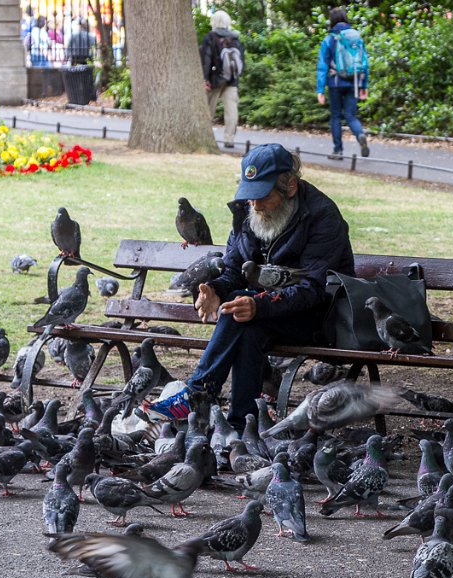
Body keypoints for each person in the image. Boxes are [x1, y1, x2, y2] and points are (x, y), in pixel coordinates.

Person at [142, 143, 355, 431]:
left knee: (245, 309)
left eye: (262, 197)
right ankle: (244, 425)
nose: (254, 205)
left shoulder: (322, 216)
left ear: (290, 186)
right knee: (248, 324)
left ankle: (197, 394)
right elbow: (233, 268)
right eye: (249, 196)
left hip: (318, 317)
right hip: (267, 314)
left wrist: (259, 304)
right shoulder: (247, 211)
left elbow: (314, 289)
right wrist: (214, 289)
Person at [316, 7, 370, 160]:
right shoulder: (356, 37)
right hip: (353, 83)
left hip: (335, 83)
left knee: (336, 117)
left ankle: (338, 151)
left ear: (332, 20)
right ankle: (360, 134)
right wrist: (363, 86)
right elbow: (365, 63)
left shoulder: (330, 39)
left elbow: (322, 66)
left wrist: (320, 89)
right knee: (351, 115)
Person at [200, 10, 245, 149]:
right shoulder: (235, 38)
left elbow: (206, 60)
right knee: (231, 111)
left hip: (215, 80)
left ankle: (204, 136)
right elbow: (242, 59)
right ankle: (229, 139)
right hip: (232, 80)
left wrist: (204, 78)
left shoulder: (211, 37)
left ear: (214, 22)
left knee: (208, 109)